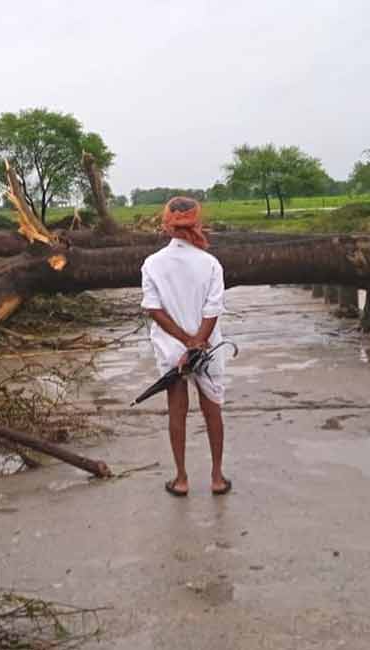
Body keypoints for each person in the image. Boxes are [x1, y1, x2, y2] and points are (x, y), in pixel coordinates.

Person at [139, 196, 230, 497]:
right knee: (212, 409)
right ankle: (217, 478)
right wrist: (199, 342)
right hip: (208, 349)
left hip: (171, 350)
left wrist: (184, 342)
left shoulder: (152, 264)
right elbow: (213, 309)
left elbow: (154, 309)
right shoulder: (210, 264)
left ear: (166, 225)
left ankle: (181, 479)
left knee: (177, 411)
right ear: (198, 223)